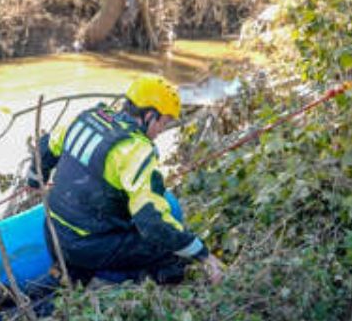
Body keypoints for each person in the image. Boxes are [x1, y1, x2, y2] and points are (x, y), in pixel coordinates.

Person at [26, 74, 225, 286]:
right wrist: (203, 254)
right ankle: (116, 283)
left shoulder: (86, 118)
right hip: (87, 246)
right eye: (163, 123)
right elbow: (151, 222)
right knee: (168, 254)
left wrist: (34, 182)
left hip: (52, 232)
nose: (160, 132)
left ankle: (76, 275)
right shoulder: (136, 150)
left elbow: (44, 148)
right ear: (149, 116)